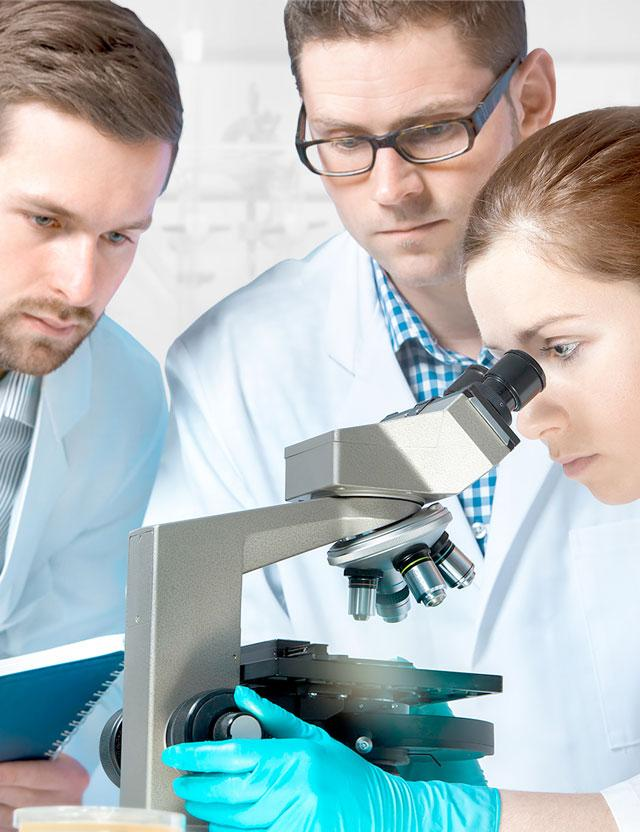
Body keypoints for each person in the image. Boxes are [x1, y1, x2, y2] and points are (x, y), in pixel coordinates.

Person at [147, 0, 638, 818]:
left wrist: (443, 819)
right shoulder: (233, 367)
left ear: (533, 96)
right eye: (345, 142)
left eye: (435, 129)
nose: (393, 190)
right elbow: (212, 725)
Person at [0, 0, 181, 820]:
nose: (81, 289)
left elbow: (50, 692)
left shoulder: (124, 398)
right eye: (46, 220)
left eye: (119, 238)